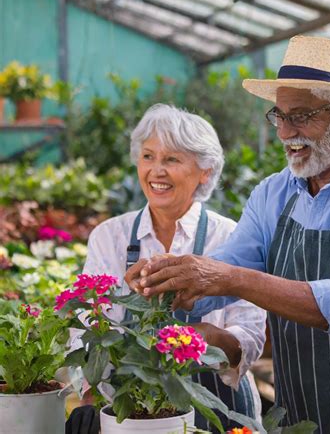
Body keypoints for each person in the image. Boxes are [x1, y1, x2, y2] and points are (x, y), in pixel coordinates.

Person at [128, 36, 330, 433]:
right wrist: (170, 278)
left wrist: (225, 277)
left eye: (303, 115)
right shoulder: (274, 193)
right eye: (280, 116)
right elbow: (225, 270)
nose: (287, 132)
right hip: (298, 407)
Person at [79, 104, 266, 430]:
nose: (156, 171)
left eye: (172, 159)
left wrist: (207, 339)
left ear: (204, 171)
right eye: (148, 156)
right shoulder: (110, 237)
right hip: (132, 408)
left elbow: (249, 338)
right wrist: (88, 394)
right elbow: (88, 327)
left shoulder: (232, 237)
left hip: (216, 406)